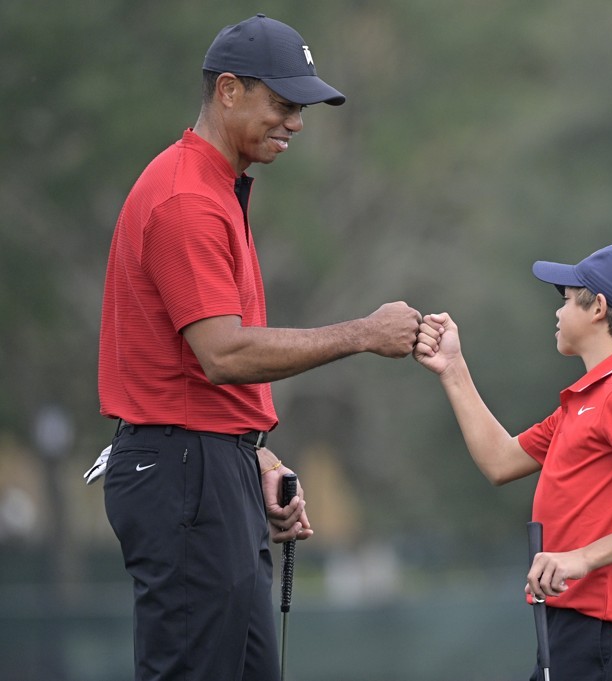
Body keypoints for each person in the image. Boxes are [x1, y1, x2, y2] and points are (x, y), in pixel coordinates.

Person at [96, 15, 420, 681]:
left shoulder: (218, 189)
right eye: (283, 103)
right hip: (182, 471)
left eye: (300, 107)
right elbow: (225, 354)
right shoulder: (187, 197)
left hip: (209, 464)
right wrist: (363, 333)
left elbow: (200, 371)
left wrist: (255, 455)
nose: (295, 122)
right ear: (230, 91)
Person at [415, 243, 612, 680]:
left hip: (605, 632)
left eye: (566, 300)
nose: (558, 313)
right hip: (577, 628)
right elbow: (500, 461)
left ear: (598, 308)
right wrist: (452, 368)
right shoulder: (590, 396)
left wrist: (580, 559)